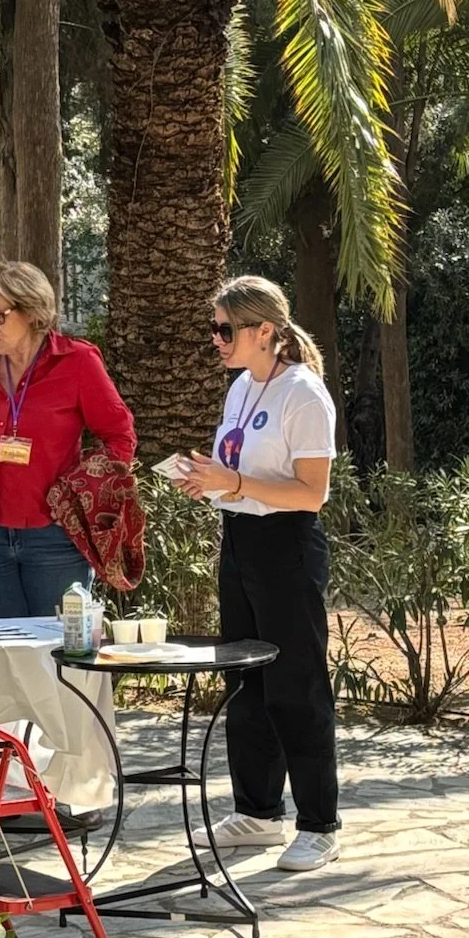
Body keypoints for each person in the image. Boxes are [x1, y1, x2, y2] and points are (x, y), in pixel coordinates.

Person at [173, 274, 340, 873]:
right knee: (246, 683)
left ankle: (319, 824)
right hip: (239, 540)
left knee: (297, 686)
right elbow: (239, 471)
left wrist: (236, 482)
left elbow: (312, 493)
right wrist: (210, 481)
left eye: (225, 330)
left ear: (264, 330)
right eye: (214, 328)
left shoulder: (304, 393)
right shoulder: (242, 387)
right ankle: (258, 812)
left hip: (286, 545)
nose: (216, 340)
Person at [0, 260, 136, 618]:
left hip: (54, 537)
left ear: (32, 312)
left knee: (57, 645)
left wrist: (80, 496)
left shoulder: (78, 362)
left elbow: (120, 437)